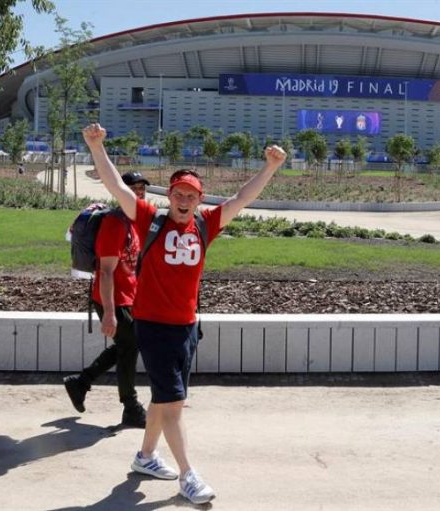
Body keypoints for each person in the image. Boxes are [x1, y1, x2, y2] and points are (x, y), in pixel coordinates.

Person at [82, 123, 286, 505]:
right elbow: (117, 187)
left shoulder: (206, 225)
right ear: (169, 195)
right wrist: (96, 147)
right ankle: (188, 475)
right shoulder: (150, 219)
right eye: (178, 193)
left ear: (199, 200)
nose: (184, 200)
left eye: (191, 195)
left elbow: (242, 198)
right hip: (153, 325)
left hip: (187, 326)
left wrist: (270, 168)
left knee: (164, 399)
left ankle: (145, 456)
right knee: (174, 404)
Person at [63, 171, 151, 429]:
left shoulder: (133, 221)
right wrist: (110, 313)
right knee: (129, 346)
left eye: (142, 189)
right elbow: (106, 272)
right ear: (120, 191)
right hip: (111, 297)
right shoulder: (114, 224)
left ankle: (81, 382)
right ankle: (130, 407)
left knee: (128, 345)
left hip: (128, 297)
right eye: (133, 188)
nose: (139, 193)